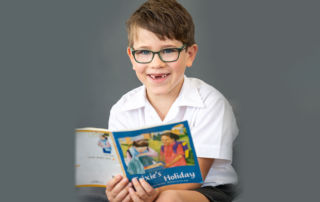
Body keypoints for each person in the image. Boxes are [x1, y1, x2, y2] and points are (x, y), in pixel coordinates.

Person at [106, 0, 239, 202]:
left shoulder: (212, 103)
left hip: (208, 189)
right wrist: (120, 191)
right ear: (132, 58)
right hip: (144, 189)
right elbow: (125, 170)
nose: (156, 63)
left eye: (168, 51)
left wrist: (150, 193)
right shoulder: (122, 109)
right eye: (144, 52)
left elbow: (195, 178)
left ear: (189, 55)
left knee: (168, 198)